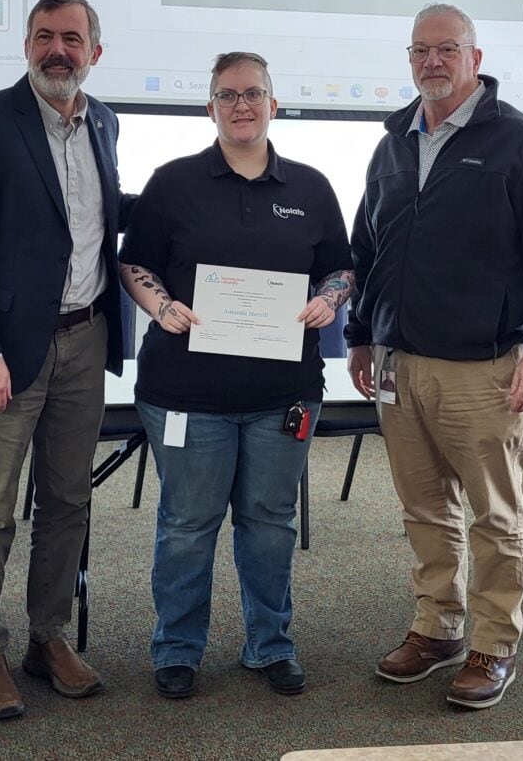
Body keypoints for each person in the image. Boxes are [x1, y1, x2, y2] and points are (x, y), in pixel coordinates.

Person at [345, 3, 523, 710]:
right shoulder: (392, 143)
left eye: (448, 48)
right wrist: (362, 332)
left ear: (475, 59)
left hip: (484, 366)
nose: (433, 61)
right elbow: (370, 248)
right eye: (421, 49)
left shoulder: (520, 142)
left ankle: (493, 642)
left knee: (495, 513)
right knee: (424, 507)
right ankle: (437, 625)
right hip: (399, 362)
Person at [119, 52, 354, 700]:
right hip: (185, 396)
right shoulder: (173, 183)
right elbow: (133, 264)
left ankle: (270, 644)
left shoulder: (310, 188)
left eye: (254, 93)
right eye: (228, 95)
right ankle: (177, 648)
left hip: (285, 396)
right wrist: (161, 304)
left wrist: (331, 297)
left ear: (274, 104)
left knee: (269, 521)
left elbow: (340, 267)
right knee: (188, 524)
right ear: (210, 108)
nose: (241, 105)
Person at [0, 0, 133, 721]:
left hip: (86, 338)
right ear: (26, 46)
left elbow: (102, 226)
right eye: (45, 36)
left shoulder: (106, 122)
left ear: (94, 52)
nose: (59, 49)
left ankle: (45, 637)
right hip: (6, 354)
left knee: (68, 501)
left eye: (73, 38)